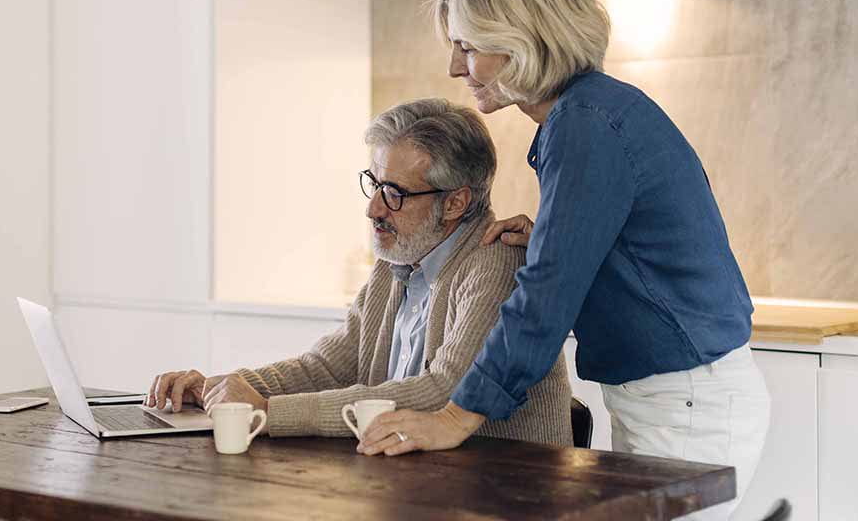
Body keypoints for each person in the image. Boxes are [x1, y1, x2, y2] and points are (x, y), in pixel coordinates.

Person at [357, 0, 771, 520]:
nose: (456, 68)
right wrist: (552, 234)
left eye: (468, 47)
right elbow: (612, 246)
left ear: (520, 40)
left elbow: (546, 298)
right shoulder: (588, 115)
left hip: (686, 405)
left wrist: (456, 416)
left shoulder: (584, 126)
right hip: (675, 399)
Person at [147, 98, 571, 445]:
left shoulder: (495, 260)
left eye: (394, 193)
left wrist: (268, 412)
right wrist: (223, 389)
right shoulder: (397, 262)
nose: (373, 208)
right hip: (422, 486)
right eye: (374, 183)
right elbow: (326, 367)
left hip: (506, 495)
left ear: (456, 203)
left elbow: (443, 391)